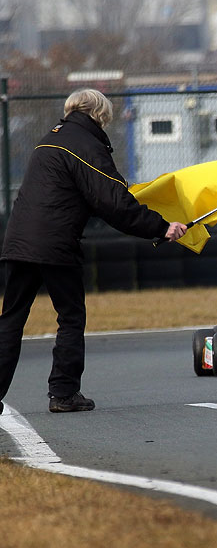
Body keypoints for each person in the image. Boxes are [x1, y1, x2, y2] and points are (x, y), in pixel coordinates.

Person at [0, 88, 187, 414]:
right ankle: (64, 393)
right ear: (100, 114)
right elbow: (113, 201)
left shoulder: (50, 138)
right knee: (70, 317)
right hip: (55, 243)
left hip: (17, 241)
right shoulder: (85, 145)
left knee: (11, 320)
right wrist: (161, 227)